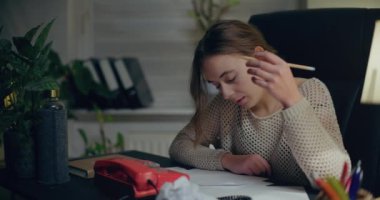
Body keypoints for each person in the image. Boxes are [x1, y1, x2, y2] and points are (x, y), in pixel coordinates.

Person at [168, 19, 351, 186]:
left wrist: (292, 101)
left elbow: (336, 179)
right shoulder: (226, 104)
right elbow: (180, 145)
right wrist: (228, 160)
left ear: (258, 58)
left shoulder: (311, 91)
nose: (225, 93)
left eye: (230, 78)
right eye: (216, 85)